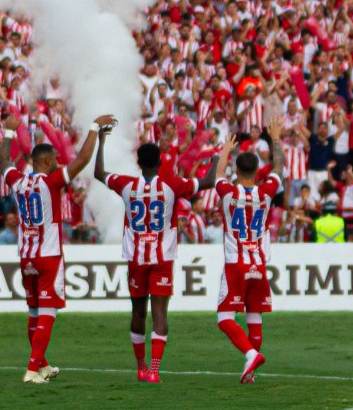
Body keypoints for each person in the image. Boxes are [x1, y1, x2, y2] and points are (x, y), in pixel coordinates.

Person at [95, 125, 232, 383]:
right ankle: (155, 370)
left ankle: (140, 366)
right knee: (160, 313)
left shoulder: (126, 184)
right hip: (161, 259)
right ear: (160, 162)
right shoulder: (172, 184)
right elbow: (208, 181)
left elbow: (99, 173)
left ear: (137, 162)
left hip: (136, 258)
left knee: (137, 312)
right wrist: (215, 159)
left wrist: (101, 142)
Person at [0, 113, 116, 384]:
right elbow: (83, 160)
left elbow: (4, 161)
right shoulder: (51, 182)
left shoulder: (18, 180)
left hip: (26, 254)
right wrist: (94, 126)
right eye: (54, 159)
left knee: (33, 312)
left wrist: (8, 133)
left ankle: (43, 365)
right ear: (48, 161)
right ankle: (31, 369)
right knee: (48, 313)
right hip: (48, 255)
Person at [212, 117, 283, 384]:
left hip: (236, 263)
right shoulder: (266, 193)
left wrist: (225, 150)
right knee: (254, 316)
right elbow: (280, 168)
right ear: (257, 171)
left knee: (224, 318)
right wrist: (275, 138)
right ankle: (252, 368)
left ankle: (251, 354)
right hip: (259, 264)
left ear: (236, 169)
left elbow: (217, 175)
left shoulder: (229, 192)